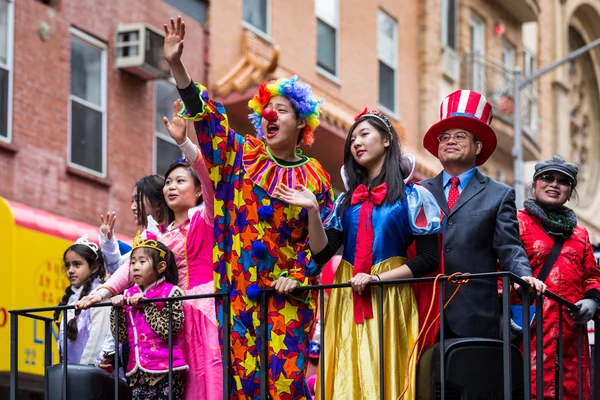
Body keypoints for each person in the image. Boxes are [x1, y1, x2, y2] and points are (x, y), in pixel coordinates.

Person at [164, 16, 335, 399]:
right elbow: (209, 122)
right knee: (244, 387)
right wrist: (178, 67)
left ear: (302, 123)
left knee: (286, 385)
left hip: (289, 297)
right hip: (240, 296)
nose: (271, 115)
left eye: (283, 110)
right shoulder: (242, 156)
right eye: (268, 109)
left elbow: (324, 246)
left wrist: (300, 275)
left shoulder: (317, 178)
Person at [277, 108, 442, 399]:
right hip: (347, 295)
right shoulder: (346, 201)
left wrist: (380, 280)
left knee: (383, 372)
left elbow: (428, 259)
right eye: (352, 139)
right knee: (344, 373)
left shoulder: (414, 195)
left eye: (364, 134)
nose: (356, 142)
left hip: (389, 296)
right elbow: (323, 253)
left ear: (387, 140)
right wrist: (313, 212)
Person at [78, 100, 222, 400]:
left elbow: (209, 179)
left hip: (204, 312)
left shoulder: (205, 218)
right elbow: (129, 268)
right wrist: (101, 294)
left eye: (180, 181)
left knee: (208, 385)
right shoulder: (158, 235)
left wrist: (184, 141)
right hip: (168, 317)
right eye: (168, 182)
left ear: (197, 191)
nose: (171, 187)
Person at [420, 89, 545, 339]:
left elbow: (509, 248)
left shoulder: (499, 195)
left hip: (475, 314)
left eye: (460, 135)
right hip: (424, 309)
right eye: (444, 137)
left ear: (478, 146)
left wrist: (525, 277)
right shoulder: (419, 191)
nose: (450, 141)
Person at [517, 155, 600, 399]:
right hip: (529, 330)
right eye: (547, 177)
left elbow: (592, 277)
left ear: (570, 190)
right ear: (535, 185)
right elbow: (503, 271)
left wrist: (592, 300)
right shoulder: (516, 222)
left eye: (563, 181)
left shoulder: (581, 234)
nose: (554, 184)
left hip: (571, 337)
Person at [110, 233, 188, 400]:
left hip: (166, 371)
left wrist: (147, 307)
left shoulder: (171, 293)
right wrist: (116, 309)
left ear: (160, 267)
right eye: (132, 263)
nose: (135, 267)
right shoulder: (128, 294)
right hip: (137, 373)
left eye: (142, 262)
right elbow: (121, 335)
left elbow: (168, 331)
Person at [99, 175, 173, 273]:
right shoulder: (145, 236)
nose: (132, 207)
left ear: (158, 204)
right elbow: (118, 268)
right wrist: (108, 241)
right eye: (132, 201)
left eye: (137, 201)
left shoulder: (173, 236)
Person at [54, 235, 110, 365]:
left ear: (94, 267)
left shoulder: (100, 296)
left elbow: (96, 341)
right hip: (73, 376)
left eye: (77, 264)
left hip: (93, 375)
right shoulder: (71, 298)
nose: (70, 271)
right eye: (67, 266)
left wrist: (82, 372)